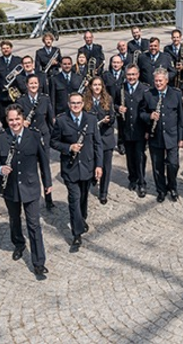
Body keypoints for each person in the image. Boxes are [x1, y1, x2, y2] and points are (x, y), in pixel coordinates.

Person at [0, 105, 53, 277]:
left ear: (22, 119)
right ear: (6, 121)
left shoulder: (34, 135)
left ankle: (39, 262)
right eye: (11, 120)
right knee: (14, 219)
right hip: (10, 188)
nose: (14, 123)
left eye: (17, 119)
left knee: (34, 224)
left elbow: (43, 161)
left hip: (31, 187)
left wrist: (47, 183)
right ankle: (18, 244)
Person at [51, 92, 103, 250]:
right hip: (70, 168)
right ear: (68, 104)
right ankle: (77, 234)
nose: (75, 106)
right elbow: (53, 142)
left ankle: (82, 218)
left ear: (83, 104)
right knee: (74, 199)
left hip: (87, 167)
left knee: (83, 198)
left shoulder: (91, 119)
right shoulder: (61, 121)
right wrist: (68, 147)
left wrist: (99, 165)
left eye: (78, 103)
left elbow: (97, 144)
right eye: (73, 103)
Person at [140, 68, 183, 202]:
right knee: (157, 166)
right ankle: (161, 190)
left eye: (160, 81)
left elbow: (181, 118)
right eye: (156, 81)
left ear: (166, 80)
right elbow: (141, 113)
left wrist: (182, 138)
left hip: (172, 136)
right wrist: (149, 116)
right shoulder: (148, 94)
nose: (158, 83)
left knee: (173, 164)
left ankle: (172, 186)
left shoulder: (176, 94)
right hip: (156, 136)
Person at [19, 73, 56, 211]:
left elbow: (50, 119)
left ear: (39, 84)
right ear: (26, 85)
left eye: (36, 83)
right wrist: (23, 122)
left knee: (45, 169)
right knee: (29, 170)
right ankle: (31, 198)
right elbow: (15, 120)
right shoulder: (21, 100)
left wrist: (52, 138)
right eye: (31, 83)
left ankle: (49, 199)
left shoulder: (44, 99)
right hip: (29, 138)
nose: (33, 85)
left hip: (43, 137)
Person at [84, 77, 116, 204]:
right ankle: (93, 177)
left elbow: (113, 117)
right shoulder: (85, 100)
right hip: (91, 139)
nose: (97, 87)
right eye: (94, 85)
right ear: (90, 86)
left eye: (99, 85)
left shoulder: (108, 99)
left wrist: (110, 120)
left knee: (106, 167)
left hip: (105, 137)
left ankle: (103, 192)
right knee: (92, 163)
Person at [118, 65, 147, 197]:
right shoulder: (121, 88)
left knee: (140, 157)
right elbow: (114, 103)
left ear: (138, 75)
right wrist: (118, 108)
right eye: (129, 75)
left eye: (133, 74)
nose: (131, 77)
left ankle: (142, 182)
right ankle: (132, 178)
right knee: (130, 157)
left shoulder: (145, 89)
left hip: (140, 130)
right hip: (126, 129)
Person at [0, 40, 23, 128]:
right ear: (1, 50)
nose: (5, 50)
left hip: (16, 94)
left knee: (18, 114)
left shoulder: (18, 60)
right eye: (3, 48)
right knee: (2, 115)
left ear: (11, 49)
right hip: (3, 94)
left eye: (7, 48)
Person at [103, 55, 126, 154]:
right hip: (109, 104)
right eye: (114, 62)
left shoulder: (125, 75)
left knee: (122, 125)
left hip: (122, 104)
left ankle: (121, 144)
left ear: (122, 64)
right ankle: (109, 145)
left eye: (118, 62)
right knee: (109, 125)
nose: (116, 65)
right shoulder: (105, 75)